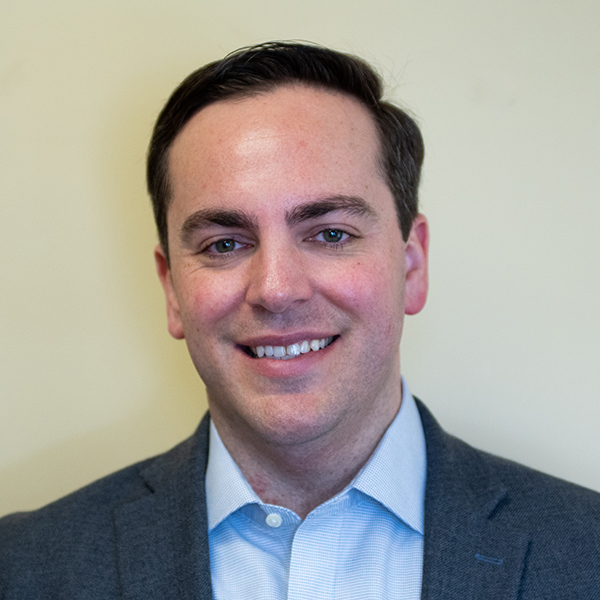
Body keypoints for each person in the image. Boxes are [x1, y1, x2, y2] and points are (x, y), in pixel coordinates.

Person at [1, 42, 599, 600]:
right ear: (172, 290)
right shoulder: (23, 568)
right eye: (224, 244)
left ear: (412, 265)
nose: (277, 289)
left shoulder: (587, 552)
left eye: (330, 234)